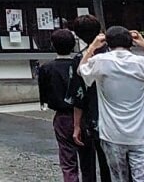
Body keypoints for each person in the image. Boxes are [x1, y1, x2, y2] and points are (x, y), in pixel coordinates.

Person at [79, 24, 144, 182]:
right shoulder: (142, 63)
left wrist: (92, 46)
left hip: (112, 131)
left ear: (107, 43)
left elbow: (82, 70)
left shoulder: (100, 61)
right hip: (143, 132)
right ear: (131, 42)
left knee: (118, 177)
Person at [38, 27, 87, 182]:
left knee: (67, 158)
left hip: (62, 116)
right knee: (88, 158)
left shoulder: (47, 68)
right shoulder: (81, 65)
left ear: (53, 44)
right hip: (85, 115)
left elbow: (44, 93)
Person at [71, 14, 113, 182]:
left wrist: (76, 125)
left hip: (95, 116)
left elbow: (78, 96)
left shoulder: (81, 60)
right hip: (123, 114)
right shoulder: (115, 53)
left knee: (102, 162)